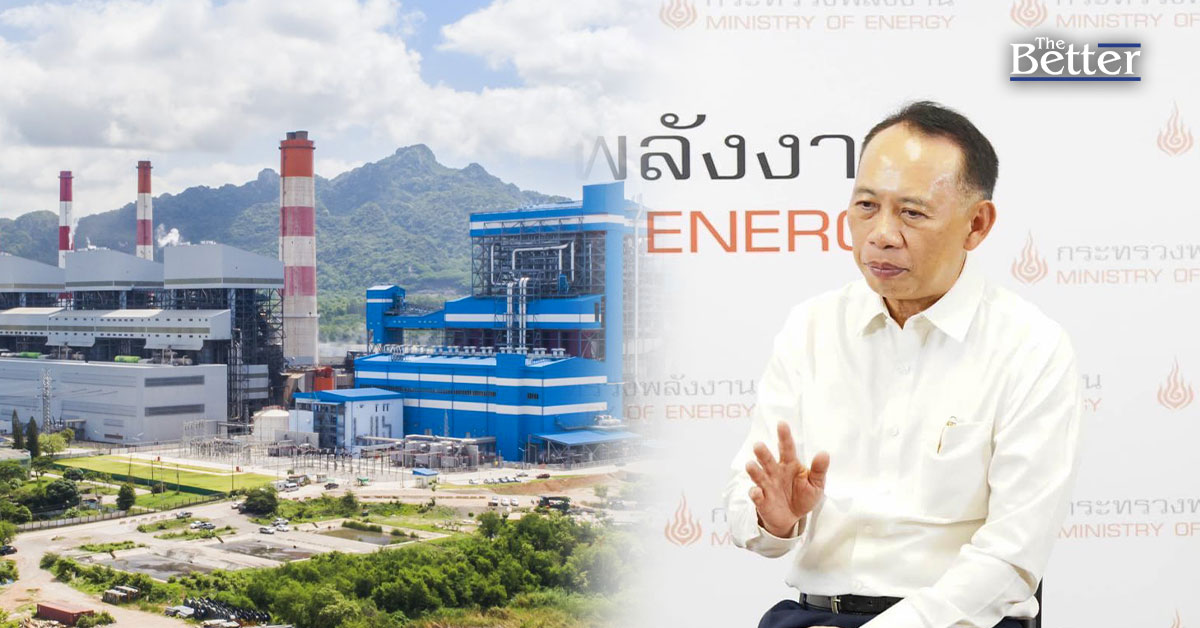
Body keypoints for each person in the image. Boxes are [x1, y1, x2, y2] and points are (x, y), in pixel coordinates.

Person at [721, 101, 1083, 628]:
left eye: (912, 213)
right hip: (813, 617)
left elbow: (1011, 557)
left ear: (976, 224)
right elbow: (747, 504)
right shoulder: (811, 327)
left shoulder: (1031, 346)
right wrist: (772, 517)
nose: (882, 234)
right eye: (866, 206)